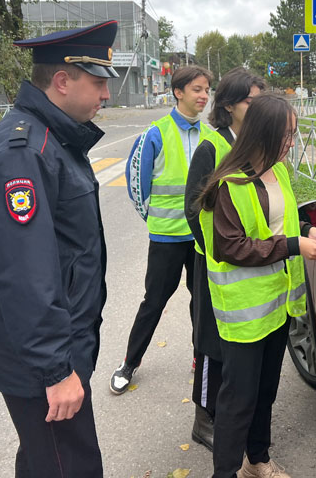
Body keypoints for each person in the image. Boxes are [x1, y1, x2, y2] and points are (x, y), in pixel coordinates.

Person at [0, 20, 118, 477]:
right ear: (62, 81)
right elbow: (26, 275)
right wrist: (56, 370)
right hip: (44, 363)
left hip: (55, 350)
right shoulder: (24, 153)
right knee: (71, 468)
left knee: (42, 461)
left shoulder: (53, 139)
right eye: (98, 83)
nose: (106, 95)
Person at [197, 93, 316, 478]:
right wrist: (294, 245)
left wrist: (308, 230)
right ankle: (224, 472)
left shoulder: (279, 171)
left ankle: (258, 460)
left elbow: (280, 224)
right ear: (263, 133)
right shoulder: (229, 183)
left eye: (294, 134)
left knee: (265, 392)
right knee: (238, 400)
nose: (292, 143)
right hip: (244, 314)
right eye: (286, 135)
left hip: (278, 307)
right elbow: (229, 246)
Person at [110, 65, 213, 394]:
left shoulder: (210, 135)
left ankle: (201, 358)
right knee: (153, 301)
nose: (204, 96)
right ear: (178, 92)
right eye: (197, 89)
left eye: (207, 90)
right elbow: (136, 185)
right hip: (166, 238)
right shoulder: (154, 133)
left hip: (200, 239)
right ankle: (129, 363)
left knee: (202, 302)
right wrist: (154, 220)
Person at [184, 68, 266, 451]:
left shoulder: (258, 147)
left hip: (250, 265)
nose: (257, 105)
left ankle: (232, 414)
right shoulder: (212, 148)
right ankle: (204, 420)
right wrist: (223, 252)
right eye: (251, 100)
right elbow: (192, 210)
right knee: (212, 344)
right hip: (217, 266)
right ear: (229, 105)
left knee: (237, 346)